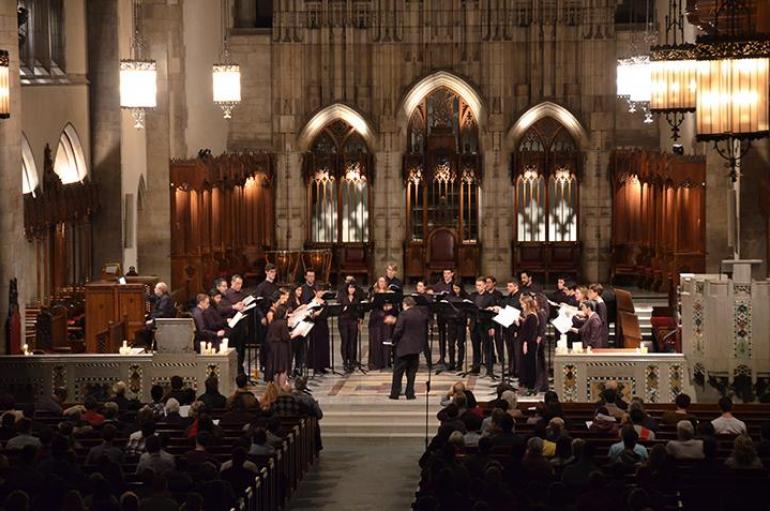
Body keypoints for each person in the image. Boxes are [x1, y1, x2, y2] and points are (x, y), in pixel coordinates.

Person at [389, 296, 427, 400]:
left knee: (398, 372)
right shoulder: (420, 314)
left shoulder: (404, 314)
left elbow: (398, 330)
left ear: (405, 304)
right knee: (411, 372)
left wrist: (393, 340)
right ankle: (410, 393)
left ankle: (395, 393)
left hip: (403, 348)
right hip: (415, 348)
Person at [469, 277, 496, 377]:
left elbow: (494, 313)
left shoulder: (490, 297)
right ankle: (476, 368)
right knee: (476, 348)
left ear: (485, 285)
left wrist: (492, 327)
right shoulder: (473, 296)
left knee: (487, 348)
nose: (477, 287)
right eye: (476, 285)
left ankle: (489, 370)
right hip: (474, 325)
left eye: (480, 285)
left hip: (486, 325)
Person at [369, 276, 396, 370]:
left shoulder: (390, 293)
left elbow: (394, 306)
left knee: (386, 340)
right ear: (377, 282)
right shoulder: (373, 293)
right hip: (376, 319)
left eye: (383, 281)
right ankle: (376, 363)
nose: (381, 283)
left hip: (386, 319)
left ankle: (386, 362)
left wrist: (390, 308)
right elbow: (371, 306)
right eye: (380, 281)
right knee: (376, 340)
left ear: (386, 283)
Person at [265, 305, 297, 382]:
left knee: (276, 369)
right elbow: (285, 337)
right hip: (281, 348)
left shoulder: (273, 321)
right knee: (282, 368)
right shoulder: (282, 323)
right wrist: (295, 334)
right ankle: (281, 386)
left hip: (273, 347)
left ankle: (276, 387)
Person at [431, 269, 455, 371]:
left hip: (451, 314)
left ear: (452, 274)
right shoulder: (438, 285)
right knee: (441, 335)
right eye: (444, 273)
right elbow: (433, 294)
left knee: (451, 337)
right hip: (441, 313)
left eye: (448, 273)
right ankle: (442, 357)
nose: (446, 275)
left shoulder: (455, 285)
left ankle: (452, 359)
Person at [516, 295, 540, 393]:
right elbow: (525, 328)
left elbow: (531, 332)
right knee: (525, 363)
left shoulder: (532, 316)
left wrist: (525, 343)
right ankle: (526, 383)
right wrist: (519, 322)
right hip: (526, 342)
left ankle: (530, 385)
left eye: (523, 304)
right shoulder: (529, 316)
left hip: (529, 343)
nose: (522, 306)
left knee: (529, 364)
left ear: (527, 304)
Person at [338, 281, 363, 373]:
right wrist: (343, 308)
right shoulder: (342, 297)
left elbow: (360, 310)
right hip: (343, 322)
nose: (351, 289)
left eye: (353, 288)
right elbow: (338, 309)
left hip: (353, 321)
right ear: (347, 288)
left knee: (352, 341)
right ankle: (345, 362)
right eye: (350, 288)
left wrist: (360, 319)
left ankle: (352, 361)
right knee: (345, 341)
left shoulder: (357, 298)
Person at [445, 282, 468, 371]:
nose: (455, 290)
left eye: (457, 288)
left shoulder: (465, 297)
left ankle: (459, 364)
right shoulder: (449, 296)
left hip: (461, 323)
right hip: (451, 323)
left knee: (460, 344)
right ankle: (451, 363)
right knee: (451, 344)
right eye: (454, 288)